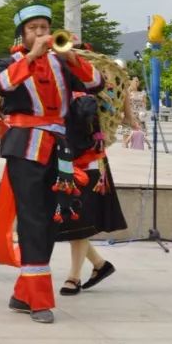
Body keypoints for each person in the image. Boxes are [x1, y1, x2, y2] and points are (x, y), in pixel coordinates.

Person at [0, 4, 103, 324]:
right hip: (24, 146)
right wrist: (31, 57)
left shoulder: (63, 62)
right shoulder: (11, 62)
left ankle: (23, 292)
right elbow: (0, 85)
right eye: (33, 29)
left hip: (59, 148)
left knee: (53, 219)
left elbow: (96, 84)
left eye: (45, 27)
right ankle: (38, 300)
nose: (41, 33)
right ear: (22, 35)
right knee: (33, 220)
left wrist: (72, 57)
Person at [55, 92, 126, 296]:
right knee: (72, 221)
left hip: (88, 165)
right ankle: (99, 264)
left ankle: (73, 277)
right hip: (67, 162)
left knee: (79, 221)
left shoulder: (87, 94)